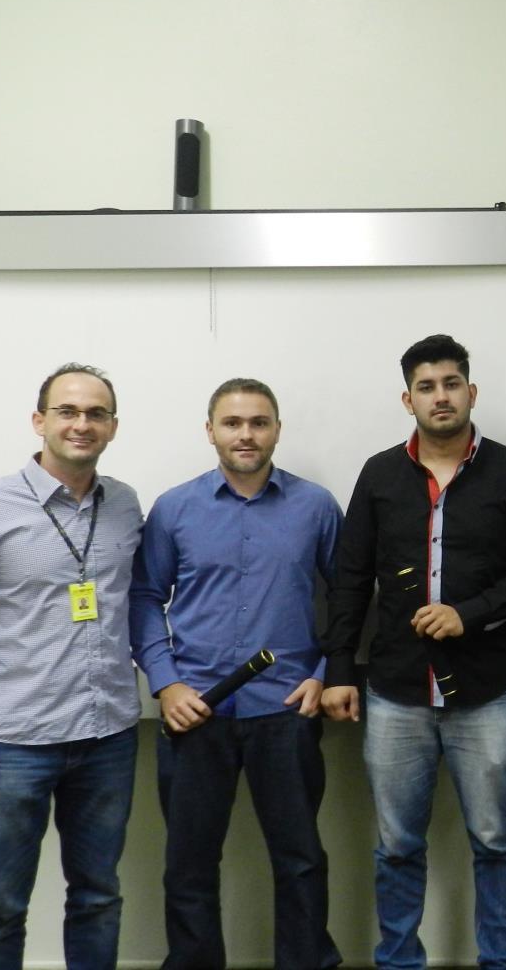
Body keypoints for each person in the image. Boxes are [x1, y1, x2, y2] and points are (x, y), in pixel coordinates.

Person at [322, 334, 506, 970]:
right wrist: (340, 668)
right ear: (408, 399)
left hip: (485, 691)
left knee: (496, 840)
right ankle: (399, 962)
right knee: (396, 846)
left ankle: (500, 962)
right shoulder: (379, 475)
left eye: (451, 383)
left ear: (471, 392)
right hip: (396, 692)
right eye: (426, 386)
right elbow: (349, 578)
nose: (440, 396)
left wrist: (468, 615)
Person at [129, 377, 342, 969]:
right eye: (232, 423)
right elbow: (145, 596)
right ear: (211, 431)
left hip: (287, 709)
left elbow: (351, 598)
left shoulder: (316, 506)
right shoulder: (175, 508)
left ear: (277, 429)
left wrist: (325, 671)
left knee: (300, 860)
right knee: (189, 864)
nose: (245, 435)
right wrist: (167, 684)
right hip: (197, 712)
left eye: (258, 422)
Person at [0, 363, 144, 970]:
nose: (82, 424)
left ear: (112, 427)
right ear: (40, 421)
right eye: (67, 411)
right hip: (12, 743)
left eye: (96, 414)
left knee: (99, 897)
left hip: (108, 736)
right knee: (0, 907)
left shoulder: (125, 505)